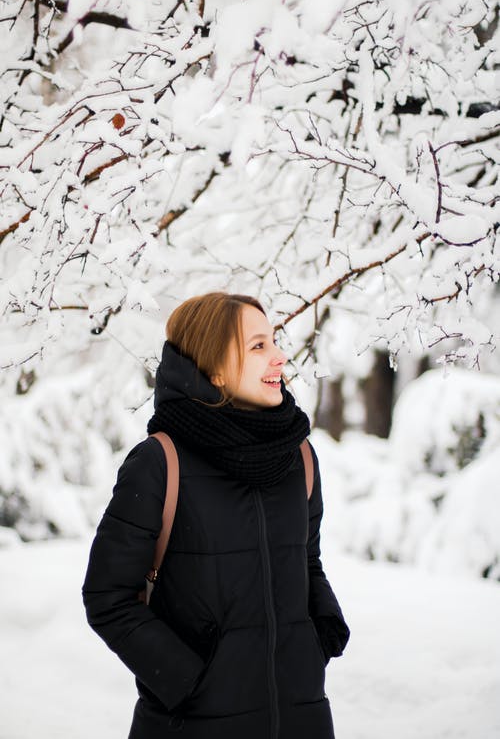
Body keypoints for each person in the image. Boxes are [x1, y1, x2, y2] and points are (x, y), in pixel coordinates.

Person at [82, 291, 350, 739]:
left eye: (275, 342)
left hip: (300, 716)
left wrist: (320, 636)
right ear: (216, 369)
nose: (280, 358)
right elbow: (107, 597)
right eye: (259, 346)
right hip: (193, 723)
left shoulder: (297, 456)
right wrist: (186, 678)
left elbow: (306, 561)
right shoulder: (160, 463)